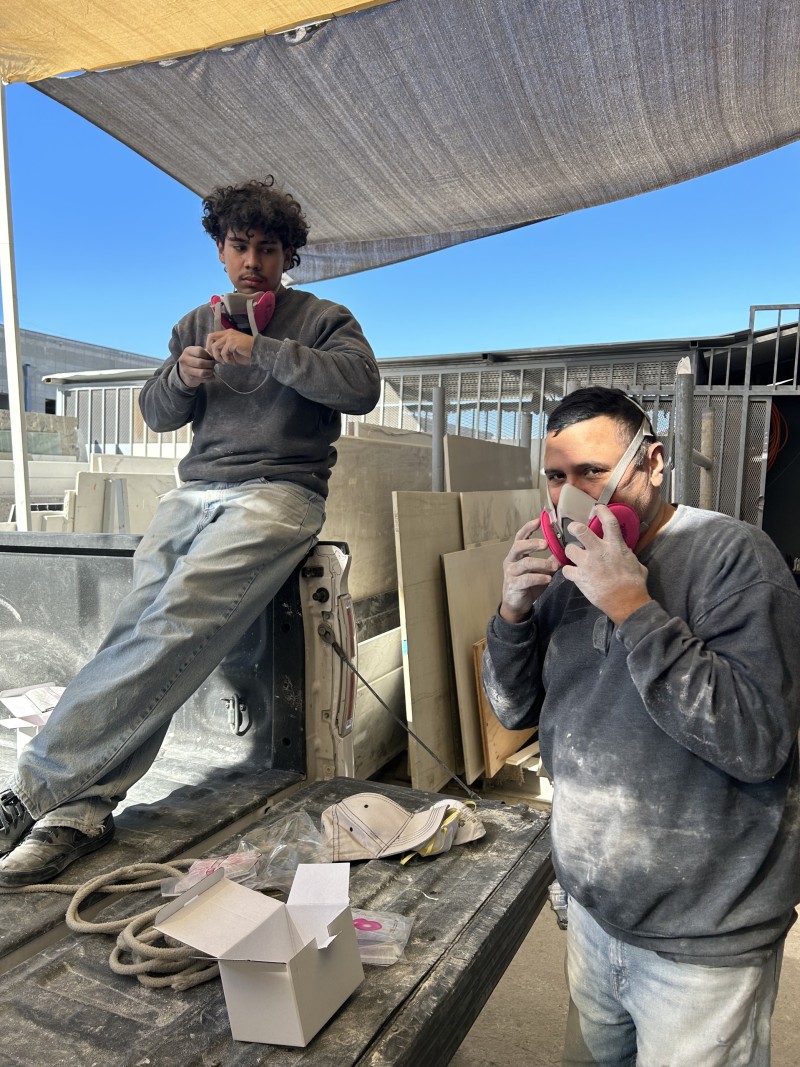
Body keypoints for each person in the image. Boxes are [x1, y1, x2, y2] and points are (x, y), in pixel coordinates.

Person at [0, 176, 380, 887]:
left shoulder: (324, 316)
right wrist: (182, 371)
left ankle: (31, 791)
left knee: (174, 622)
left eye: (268, 249)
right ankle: (84, 809)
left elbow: (359, 386)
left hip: (280, 492)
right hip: (195, 491)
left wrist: (260, 350)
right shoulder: (190, 324)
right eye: (240, 246)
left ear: (287, 255)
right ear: (219, 249)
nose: (252, 262)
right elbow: (158, 412)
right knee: (137, 632)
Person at [482, 386, 800, 1066]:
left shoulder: (735, 559)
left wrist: (634, 607)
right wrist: (510, 615)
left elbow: (757, 742)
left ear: (653, 461)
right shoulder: (567, 570)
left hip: (703, 940)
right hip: (594, 914)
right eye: (557, 478)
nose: (572, 496)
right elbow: (512, 712)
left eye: (592, 473)